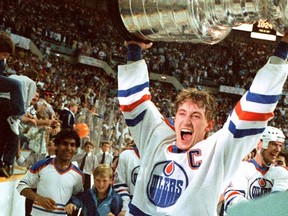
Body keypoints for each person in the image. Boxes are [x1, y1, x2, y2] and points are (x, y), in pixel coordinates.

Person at [117, 33, 288, 216]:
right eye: (182, 113)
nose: (187, 120)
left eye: (196, 116)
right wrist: (134, 46)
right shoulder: (156, 136)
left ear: (209, 125)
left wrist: (284, 47)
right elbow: (133, 101)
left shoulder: (217, 151)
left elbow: (255, 108)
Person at [17, 129, 84, 216]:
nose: (69, 148)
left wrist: (73, 203)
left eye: (72, 145)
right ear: (56, 145)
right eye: (64, 144)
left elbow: (80, 196)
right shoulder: (41, 165)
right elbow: (21, 185)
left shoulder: (78, 175)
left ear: (76, 149)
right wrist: (39, 198)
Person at [223, 126, 288, 214]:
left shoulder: (281, 172)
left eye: (280, 145)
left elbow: (276, 204)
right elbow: (233, 201)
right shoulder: (242, 168)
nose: (278, 149)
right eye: (273, 144)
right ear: (259, 144)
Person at [0, 32, 25, 177]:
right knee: (16, 84)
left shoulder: (2, 61)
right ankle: (18, 114)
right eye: (3, 54)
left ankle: (14, 116)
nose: (5, 58)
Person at [113, 145, 140, 216]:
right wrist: (126, 208)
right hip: (130, 208)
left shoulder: (164, 157)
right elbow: (120, 185)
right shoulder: (127, 155)